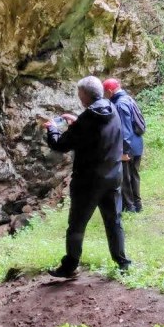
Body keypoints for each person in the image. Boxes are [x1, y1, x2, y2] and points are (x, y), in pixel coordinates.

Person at [42, 76, 132, 277]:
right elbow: (97, 133)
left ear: (83, 96)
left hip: (89, 182)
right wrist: (77, 121)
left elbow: (60, 144)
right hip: (113, 176)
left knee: (76, 224)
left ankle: (70, 265)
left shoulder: (87, 119)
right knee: (113, 220)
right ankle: (123, 263)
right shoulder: (112, 108)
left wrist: (52, 130)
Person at [103, 78, 145, 213]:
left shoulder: (120, 105)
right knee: (134, 176)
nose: (104, 95)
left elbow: (125, 129)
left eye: (105, 92)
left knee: (125, 179)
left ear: (109, 91)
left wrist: (124, 152)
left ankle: (130, 207)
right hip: (137, 143)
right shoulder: (128, 98)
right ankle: (138, 205)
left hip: (128, 147)